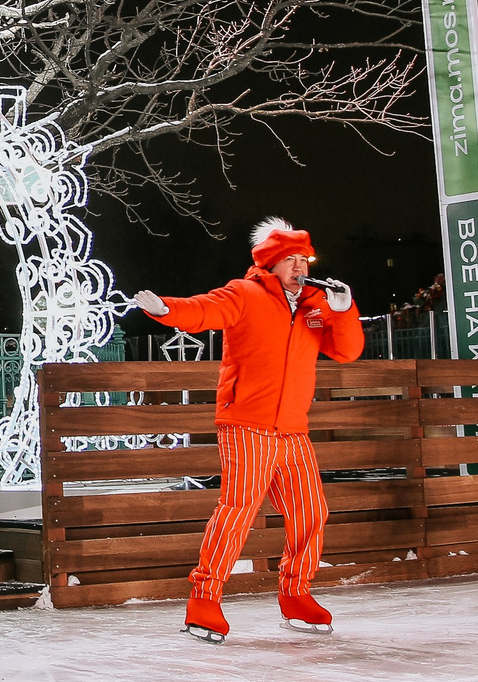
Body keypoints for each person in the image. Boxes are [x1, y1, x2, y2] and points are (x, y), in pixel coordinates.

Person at [128, 216, 363, 643]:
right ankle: (204, 600)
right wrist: (164, 308)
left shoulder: (316, 306)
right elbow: (203, 309)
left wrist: (345, 310)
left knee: (311, 512)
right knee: (238, 512)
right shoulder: (245, 294)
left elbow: (347, 352)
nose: (300, 267)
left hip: (293, 430)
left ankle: (296, 594)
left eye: (303, 259)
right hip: (247, 425)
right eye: (290, 260)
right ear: (270, 264)